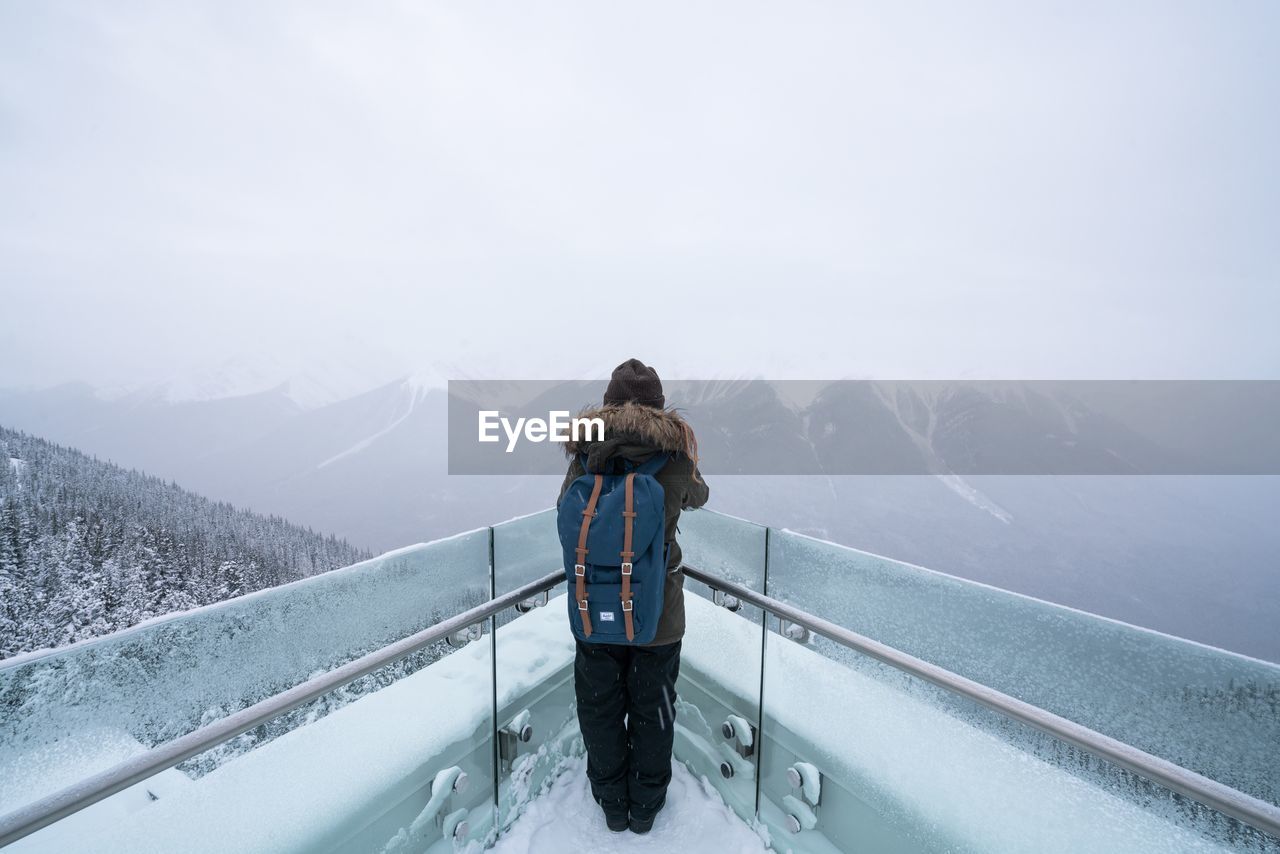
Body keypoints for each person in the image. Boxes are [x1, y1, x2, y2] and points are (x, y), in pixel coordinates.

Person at [558, 358, 710, 834]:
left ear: (608, 404)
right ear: (660, 407)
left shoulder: (585, 454)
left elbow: (565, 510)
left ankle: (611, 804)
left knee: (600, 705)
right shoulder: (675, 457)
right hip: (658, 613)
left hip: (592, 606)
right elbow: (699, 497)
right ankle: (645, 808)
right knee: (654, 708)